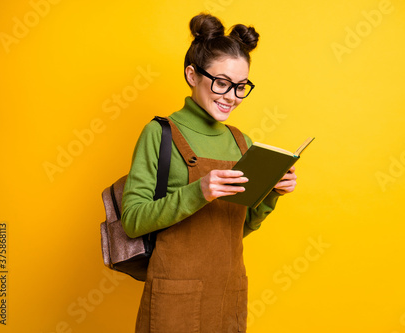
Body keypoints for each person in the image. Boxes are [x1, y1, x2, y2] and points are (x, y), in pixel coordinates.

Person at [121, 13, 297, 333]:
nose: (231, 96)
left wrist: (272, 194)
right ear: (192, 74)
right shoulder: (159, 133)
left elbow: (238, 227)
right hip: (174, 295)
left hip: (228, 293)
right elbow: (132, 221)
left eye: (241, 87)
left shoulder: (241, 142)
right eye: (222, 82)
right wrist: (199, 191)